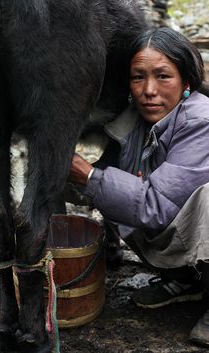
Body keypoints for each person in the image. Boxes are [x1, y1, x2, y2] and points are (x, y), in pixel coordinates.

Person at [68, 26, 209, 347]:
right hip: (168, 225)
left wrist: (88, 176)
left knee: (206, 201)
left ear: (186, 81)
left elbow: (155, 206)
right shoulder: (133, 121)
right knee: (115, 188)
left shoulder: (200, 121)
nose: (148, 90)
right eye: (137, 77)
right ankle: (188, 282)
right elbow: (103, 181)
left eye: (163, 76)